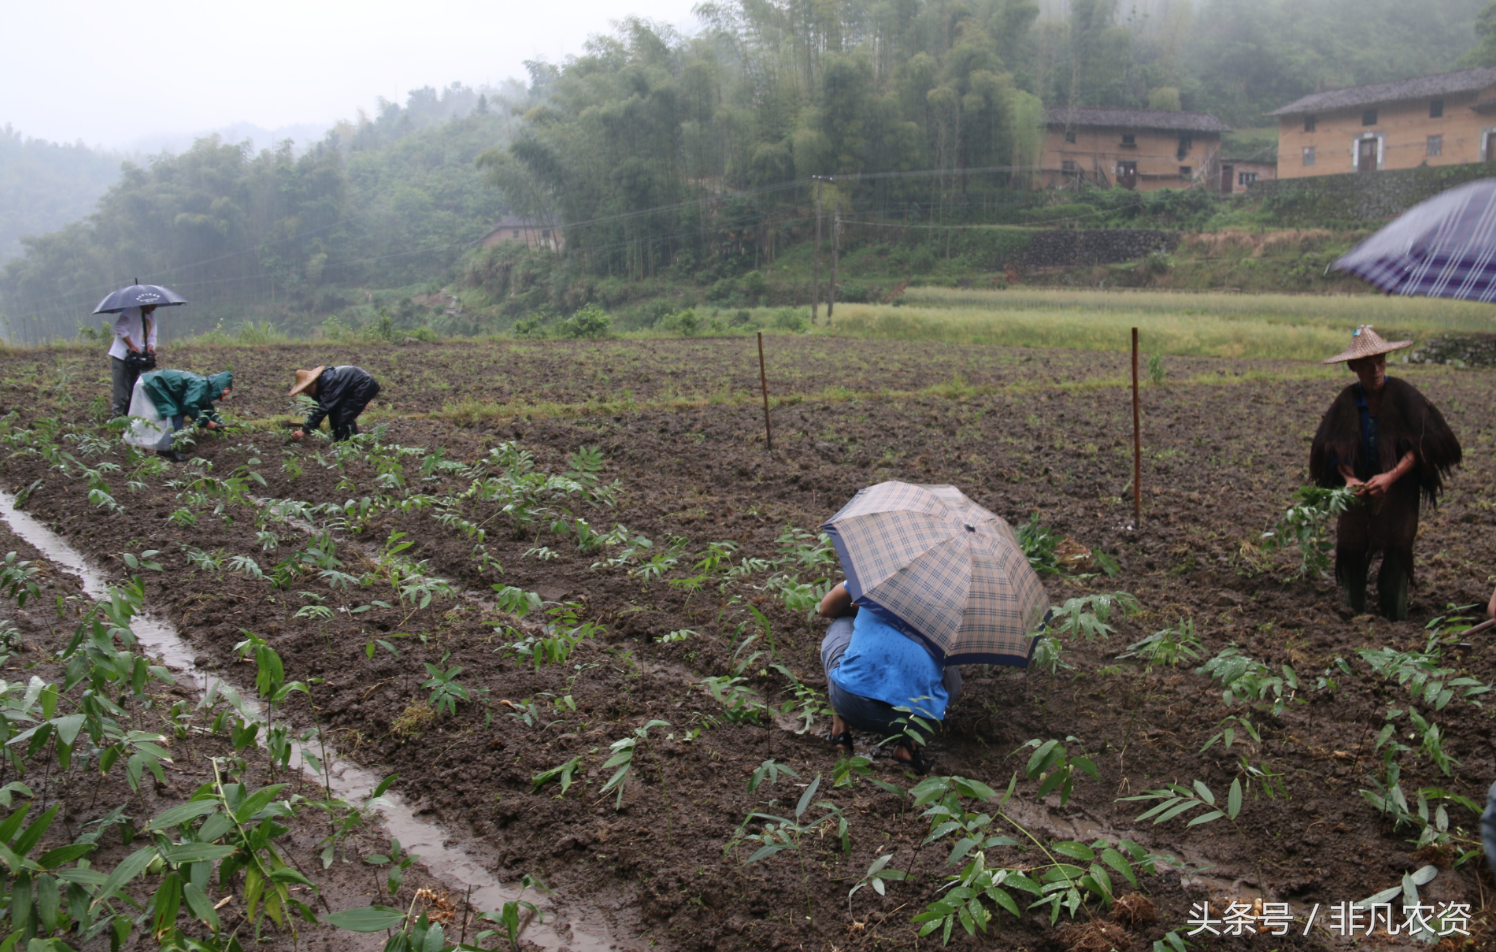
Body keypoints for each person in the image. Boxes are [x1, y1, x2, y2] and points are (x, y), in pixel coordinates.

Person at [1309, 326, 1461, 620]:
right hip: (1360, 488)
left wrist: (1391, 476)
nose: (1375, 369)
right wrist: (1349, 479)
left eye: (1379, 361)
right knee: (1351, 546)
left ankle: (1395, 618)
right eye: (1366, 364)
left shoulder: (1404, 395)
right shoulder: (1346, 401)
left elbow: (1425, 442)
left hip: (1399, 488)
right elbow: (1333, 445)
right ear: (1353, 366)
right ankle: (1353, 614)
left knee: (1397, 547)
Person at [818, 581, 961, 773]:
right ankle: (908, 747)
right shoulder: (958, 597)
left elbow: (826, 608)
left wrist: (865, 610)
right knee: (949, 668)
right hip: (918, 721)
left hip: (853, 704)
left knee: (841, 624)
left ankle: (840, 733)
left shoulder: (881, 574)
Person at [126, 369, 232, 462]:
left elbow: (207, 409)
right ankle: (170, 450)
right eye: (222, 394)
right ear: (219, 388)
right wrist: (206, 422)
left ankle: (165, 448)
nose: (220, 397)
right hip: (153, 383)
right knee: (175, 414)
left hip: (152, 382)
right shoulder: (200, 385)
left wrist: (220, 426)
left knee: (174, 413)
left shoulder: (204, 387)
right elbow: (190, 404)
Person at [289, 365, 381, 442]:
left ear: (313, 383)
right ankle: (339, 440)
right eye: (304, 391)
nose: (307, 393)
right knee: (335, 413)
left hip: (363, 385)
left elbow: (323, 408)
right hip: (351, 387)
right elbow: (323, 409)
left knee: (345, 416)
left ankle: (352, 443)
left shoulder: (328, 383)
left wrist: (305, 430)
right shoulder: (321, 387)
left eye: (306, 389)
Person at [109, 305, 159, 417]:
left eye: (155, 306)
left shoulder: (151, 316)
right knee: (120, 390)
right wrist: (131, 345)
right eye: (151, 306)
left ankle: (132, 417)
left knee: (137, 389)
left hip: (138, 358)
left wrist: (150, 346)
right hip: (122, 355)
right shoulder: (130, 311)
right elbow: (119, 327)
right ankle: (116, 418)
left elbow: (152, 336)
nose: (153, 309)